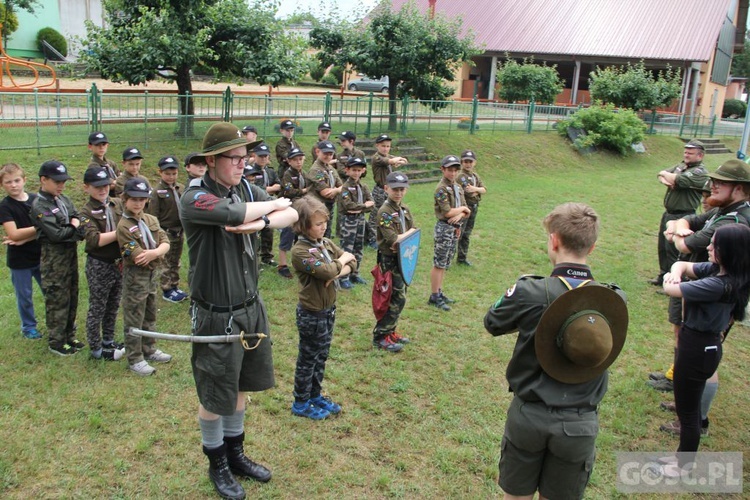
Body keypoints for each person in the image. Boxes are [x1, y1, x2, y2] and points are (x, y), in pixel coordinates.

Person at [180, 122, 298, 499]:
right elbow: (232, 215)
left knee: (241, 388)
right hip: (215, 312)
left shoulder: (246, 187)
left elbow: (293, 213)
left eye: (244, 158)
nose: (241, 165)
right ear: (212, 161)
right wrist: (268, 207)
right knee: (216, 396)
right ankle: (217, 465)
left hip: (249, 308)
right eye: (233, 158)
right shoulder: (194, 197)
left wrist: (263, 220)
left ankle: (236, 455)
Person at [484, 202, 627, 500]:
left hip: (529, 415)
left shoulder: (529, 292)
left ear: (554, 240)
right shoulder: (614, 299)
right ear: (593, 247)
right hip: (580, 422)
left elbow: (493, 323)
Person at [650, 159, 750, 436]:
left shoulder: (734, 219)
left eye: (721, 182)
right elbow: (685, 222)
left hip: (713, 296)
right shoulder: (723, 210)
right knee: (684, 344)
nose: (712, 185)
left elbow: (685, 243)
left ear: (739, 189)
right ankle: (685, 403)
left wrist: (677, 235)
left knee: (705, 360)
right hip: (700, 283)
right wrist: (677, 226)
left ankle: (697, 421)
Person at [659, 223, 750, 475]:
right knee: (686, 406)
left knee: (689, 414)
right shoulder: (718, 271)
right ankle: (681, 458)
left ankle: (683, 466)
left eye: (714, 245)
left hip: (699, 348)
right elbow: (683, 265)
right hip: (696, 344)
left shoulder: (720, 285)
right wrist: (676, 271)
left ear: (728, 252)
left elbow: (671, 289)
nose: (708, 247)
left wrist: (671, 277)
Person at [290, 196, 356, 420]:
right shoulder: (301, 251)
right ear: (303, 225)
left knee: (321, 355)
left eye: (325, 222)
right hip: (312, 313)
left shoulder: (325, 243)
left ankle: (314, 394)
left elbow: (352, 262)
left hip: (329, 310)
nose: (324, 227)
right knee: (308, 359)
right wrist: (339, 264)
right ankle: (301, 402)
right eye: (318, 224)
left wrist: (337, 268)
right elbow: (328, 271)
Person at [30, 160, 86, 356]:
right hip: (53, 259)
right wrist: (73, 226)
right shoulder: (39, 205)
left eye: (63, 182)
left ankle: (70, 334)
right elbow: (55, 234)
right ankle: (56, 340)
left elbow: (80, 219)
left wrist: (74, 226)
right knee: (57, 296)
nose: (61, 186)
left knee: (72, 293)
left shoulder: (63, 199)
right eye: (57, 182)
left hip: (69, 255)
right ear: (43, 180)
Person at [117, 178, 172, 376]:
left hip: (152, 275)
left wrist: (156, 252)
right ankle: (135, 357)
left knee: (150, 313)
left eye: (142, 199)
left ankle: (149, 348)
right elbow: (138, 256)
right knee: (134, 316)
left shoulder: (151, 220)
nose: (138, 203)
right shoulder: (123, 226)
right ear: (125, 199)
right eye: (134, 199)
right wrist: (158, 252)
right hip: (136, 278)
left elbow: (166, 241)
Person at [80, 166, 126, 361]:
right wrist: (121, 233)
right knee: (97, 306)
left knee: (113, 304)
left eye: (106, 185)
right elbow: (94, 240)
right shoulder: (85, 212)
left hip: (118, 262)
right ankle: (96, 347)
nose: (103, 190)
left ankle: (108, 339)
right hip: (99, 263)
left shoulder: (116, 204)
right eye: (97, 186)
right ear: (86, 188)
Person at [651, 140, 708, 286]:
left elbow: (679, 179)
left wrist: (673, 178)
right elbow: (661, 173)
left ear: (700, 155)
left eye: (690, 153)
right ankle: (663, 275)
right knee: (663, 247)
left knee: (674, 250)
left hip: (683, 215)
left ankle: (674, 281)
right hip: (669, 213)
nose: (686, 155)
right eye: (685, 152)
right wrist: (667, 178)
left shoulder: (699, 172)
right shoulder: (681, 166)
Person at [373, 171, 417, 352]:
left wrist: (403, 237)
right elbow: (393, 240)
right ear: (386, 188)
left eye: (402, 189)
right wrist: (405, 236)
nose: (398, 193)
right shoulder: (385, 211)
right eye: (394, 189)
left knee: (400, 297)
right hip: (389, 260)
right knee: (392, 298)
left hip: (402, 258)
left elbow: (408, 233)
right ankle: (380, 336)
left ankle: (391, 331)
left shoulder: (404, 210)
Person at [0, 163, 43, 340]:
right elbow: (13, 234)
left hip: (42, 256)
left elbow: (51, 226)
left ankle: (58, 321)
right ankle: (29, 327)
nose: (13, 185)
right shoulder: (5, 207)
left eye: (17, 180)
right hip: (19, 261)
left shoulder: (36, 199)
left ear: (24, 180)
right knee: (24, 296)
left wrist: (27, 235)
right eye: (8, 182)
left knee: (51, 291)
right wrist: (41, 227)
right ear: (2, 185)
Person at [429, 155, 470, 311]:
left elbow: (467, 209)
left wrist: (460, 214)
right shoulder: (441, 189)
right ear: (443, 169)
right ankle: (434, 295)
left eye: (455, 170)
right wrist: (462, 210)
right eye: (449, 170)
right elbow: (446, 213)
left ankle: (439, 292)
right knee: (439, 263)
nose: (453, 173)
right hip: (444, 228)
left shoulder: (457, 187)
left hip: (455, 228)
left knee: (445, 263)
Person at [147, 156, 188, 303]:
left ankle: (174, 285)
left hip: (179, 231)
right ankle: (167, 288)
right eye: (167, 173)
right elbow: (153, 215)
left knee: (175, 260)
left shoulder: (181, 188)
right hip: (166, 232)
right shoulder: (157, 193)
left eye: (174, 173)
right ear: (160, 173)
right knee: (165, 262)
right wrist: (157, 234)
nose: (171, 177)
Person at [337, 156, 374, 289]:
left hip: (360, 220)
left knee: (358, 248)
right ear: (347, 170)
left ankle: (354, 273)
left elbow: (372, 203)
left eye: (359, 170)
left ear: (363, 171)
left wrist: (360, 207)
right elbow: (348, 206)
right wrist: (364, 206)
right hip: (348, 222)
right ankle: (343, 277)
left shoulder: (363, 186)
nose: (356, 173)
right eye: (353, 170)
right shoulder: (345, 188)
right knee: (347, 249)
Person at [367, 134, 408, 249]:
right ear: (377, 146)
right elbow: (387, 160)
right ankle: (372, 239)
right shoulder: (376, 157)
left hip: (390, 189)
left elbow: (392, 159)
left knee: (390, 213)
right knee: (375, 215)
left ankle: (388, 235)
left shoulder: (388, 156)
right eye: (383, 146)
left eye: (388, 146)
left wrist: (400, 160)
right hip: (380, 190)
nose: (385, 148)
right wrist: (394, 160)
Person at [245, 143, 282, 267]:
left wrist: (268, 189)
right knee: (255, 232)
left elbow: (278, 185)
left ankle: (267, 256)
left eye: (265, 156)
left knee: (268, 231)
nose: (263, 159)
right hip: (255, 205)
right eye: (260, 156)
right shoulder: (250, 171)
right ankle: (254, 258)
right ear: (254, 156)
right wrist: (270, 189)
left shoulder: (270, 171)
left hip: (269, 204)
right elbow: (255, 189)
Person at [278, 147, 311, 279]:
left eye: (300, 159)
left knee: (301, 236)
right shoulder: (287, 174)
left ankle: (299, 262)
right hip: (290, 208)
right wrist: (303, 191)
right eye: (295, 160)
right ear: (289, 161)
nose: (298, 162)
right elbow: (288, 191)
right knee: (287, 236)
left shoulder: (303, 173)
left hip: (301, 208)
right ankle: (282, 265)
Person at [456, 150, 487, 266]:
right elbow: (469, 192)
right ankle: (447, 259)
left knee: (467, 234)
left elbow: (484, 189)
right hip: (464, 208)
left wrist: (476, 189)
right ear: (462, 162)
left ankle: (462, 258)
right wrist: (477, 190)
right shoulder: (461, 176)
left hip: (474, 207)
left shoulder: (475, 176)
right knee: (459, 233)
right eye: (466, 162)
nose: (468, 164)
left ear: (474, 163)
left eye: (470, 162)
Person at [308, 140, 343, 239]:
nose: (328, 156)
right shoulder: (316, 170)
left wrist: (336, 190)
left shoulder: (330, 168)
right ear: (318, 152)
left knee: (325, 233)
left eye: (330, 154)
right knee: (315, 234)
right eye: (325, 154)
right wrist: (336, 190)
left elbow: (342, 186)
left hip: (329, 206)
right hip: (317, 207)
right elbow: (325, 193)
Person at [87, 131, 120, 196]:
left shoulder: (111, 163)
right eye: (97, 145)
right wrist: (116, 183)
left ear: (107, 145)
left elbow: (120, 176)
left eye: (103, 144)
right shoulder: (93, 166)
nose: (101, 147)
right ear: (90, 147)